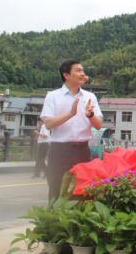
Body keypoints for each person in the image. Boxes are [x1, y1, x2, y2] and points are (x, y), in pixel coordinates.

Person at [41, 58, 103, 202]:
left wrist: (90, 115)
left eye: (83, 71)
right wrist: (70, 114)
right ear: (66, 75)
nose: (83, 74)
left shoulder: (90, 97)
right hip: (59, 151)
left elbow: (98, 125)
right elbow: (48, 124)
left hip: (82, 150)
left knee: (84, 190)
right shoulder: (53, 96)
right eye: (78, 70)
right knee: (56, 189)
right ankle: (54, 215)